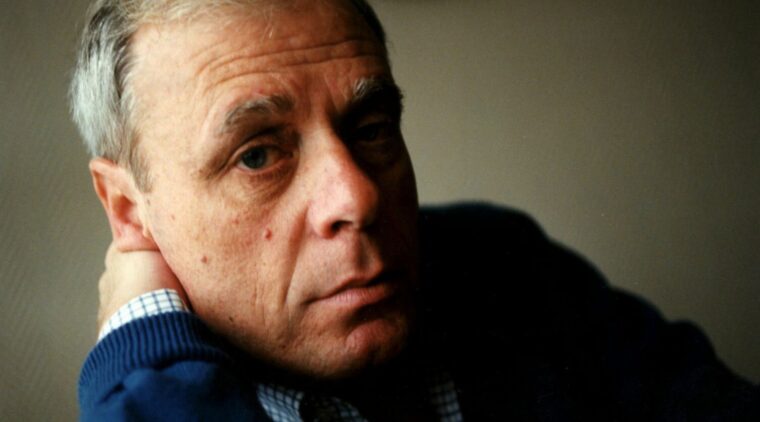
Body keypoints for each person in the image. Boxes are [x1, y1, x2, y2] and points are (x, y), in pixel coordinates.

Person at [71, 0, 759, 420]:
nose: (358, 196)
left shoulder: (506, 267)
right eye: (257, 156)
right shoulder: (158, 397)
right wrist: (147, 357)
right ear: (130, 211)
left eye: (371, 128)